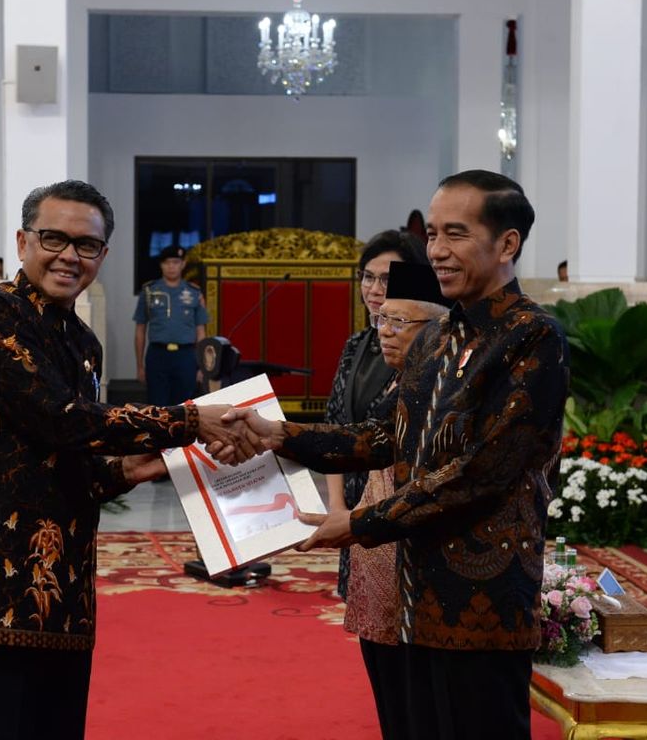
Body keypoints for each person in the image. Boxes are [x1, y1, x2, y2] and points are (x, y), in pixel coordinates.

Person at [219, 170, 570, 740]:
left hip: (481, 605)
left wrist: (358, 523)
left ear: (508, 243)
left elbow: (482, 475)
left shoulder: (532, 337)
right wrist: (277, 434)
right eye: (431, 234)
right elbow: (382, 439)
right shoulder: (435, 338)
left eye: (455, 234)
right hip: (410, 594)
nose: (436, 251)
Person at [0, 180, 253, 740]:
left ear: (102, 256)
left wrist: (145, 467)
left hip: (64, 588)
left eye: (86, 245)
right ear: (22, 240)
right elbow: (59, 418)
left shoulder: (82, 342)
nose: (68, 255)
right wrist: (188, 422)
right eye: (53, 238)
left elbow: (73, 458)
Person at [344, 260, 449, 740]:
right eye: (381, 320)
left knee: (422, 697)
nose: (384, 332)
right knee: (386, 685)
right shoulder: (390, 375)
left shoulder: (447, 386)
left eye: (398, 323)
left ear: (438, 325)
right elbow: (350, 438)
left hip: (417, 556)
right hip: (373, 549)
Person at [323, 230, 427, 601]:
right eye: (368, 276)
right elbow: (335, 425)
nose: (374, 288)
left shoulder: (426, 347)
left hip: (396, 509)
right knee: (361, 617)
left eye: (387, 278)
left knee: (395, 617)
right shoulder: (356, 344)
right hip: (352, 506)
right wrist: (337, 507)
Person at [133, 245, 208, 405]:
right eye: (167, 262)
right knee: (157, 407)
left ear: (183, 264)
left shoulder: (195, 293)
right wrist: (139, 366)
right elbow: (140, 330)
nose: (171, 266)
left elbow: (201, 332)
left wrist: (202, 366)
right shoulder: (149, 291)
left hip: (186, 356)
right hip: (157, 355)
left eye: (175, 262)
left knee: (184, 407)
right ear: (161, 265)